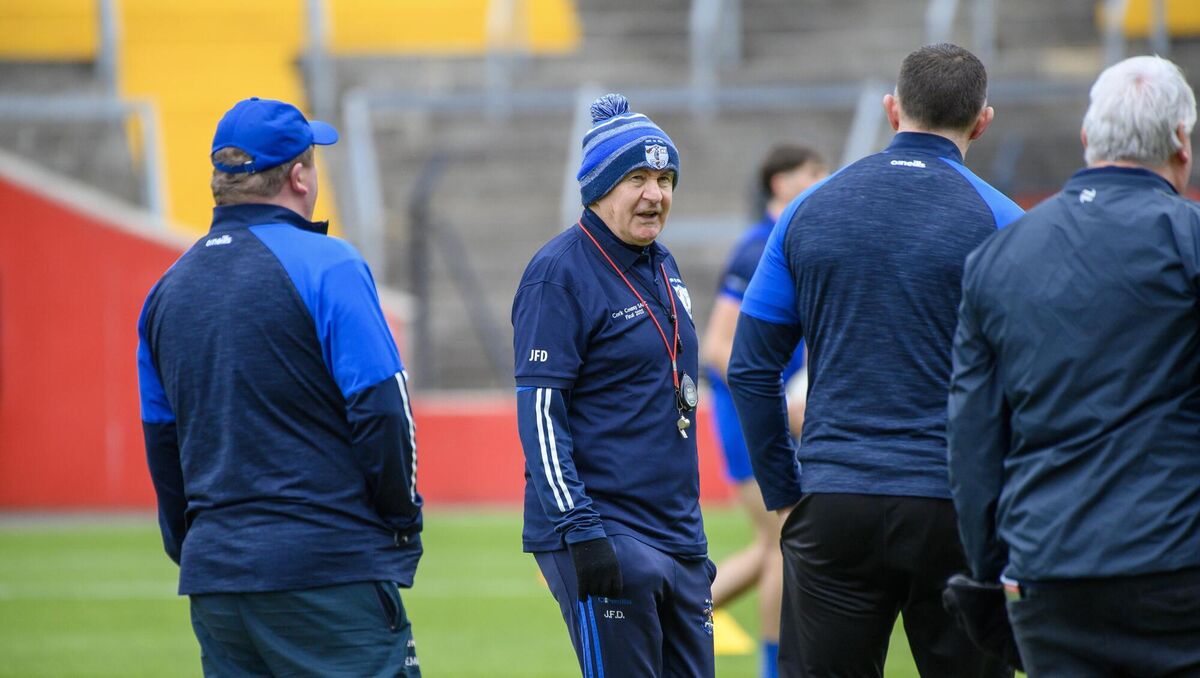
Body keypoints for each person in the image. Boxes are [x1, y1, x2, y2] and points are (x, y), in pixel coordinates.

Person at [726, 43, 1022, 678]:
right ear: (982, 121)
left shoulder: (807, 209)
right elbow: (1039, 379)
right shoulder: (1006, 223)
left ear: (893, 110)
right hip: (956, 511)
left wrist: (783, 498)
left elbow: (750, 369)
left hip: (835, 502)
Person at [137, 97, 423, 676]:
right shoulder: (330, 265)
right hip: (328, 573)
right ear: (299, 176)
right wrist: (400, 518)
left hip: (218, 582)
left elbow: (162, 443)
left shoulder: (165, 292)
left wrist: (196, 545)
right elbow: (384, 411)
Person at [948, 55, 1200, 677]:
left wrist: (990, 567)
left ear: (1088, 141)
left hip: (1048, 571)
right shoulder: (1189, 241)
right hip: (1177, 567)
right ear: (1181, 143)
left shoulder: (999, 256)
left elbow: (973, 437)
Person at [512, 93, 714, 677]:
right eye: (637, 178)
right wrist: (581, 531)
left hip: (678, 537)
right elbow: (540, 414)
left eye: (665, 177)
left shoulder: (663, 263)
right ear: (599, 188)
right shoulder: (558, 275)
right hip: (607, 533)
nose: (656, 194)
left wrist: (693, 549)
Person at [700, 144, 827, 678]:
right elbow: (716, 348)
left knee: (769, 548)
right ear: (779, 183)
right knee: (783, 544)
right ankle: (774, 668)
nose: (824, 180)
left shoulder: (795, 241)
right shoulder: (758, 249)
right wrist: (780, 402)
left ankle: (672, 616)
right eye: (812, 173)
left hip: (780, 416)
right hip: (754, 422)